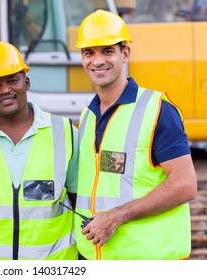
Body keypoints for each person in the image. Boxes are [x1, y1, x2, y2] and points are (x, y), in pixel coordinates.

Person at [74, 9, 197, 260]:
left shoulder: (157, 109)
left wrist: (116, 216)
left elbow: (185, 185)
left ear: (125, 53)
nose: (97, 61)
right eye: (89, 52)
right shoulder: (88, 116)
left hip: (149, 260)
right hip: (97, 259)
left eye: (107, 51)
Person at [0, 41, 78, 260]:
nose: (5, 90)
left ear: (27, 82)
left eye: (12, 80)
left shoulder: (65, 132)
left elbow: (80, 200)